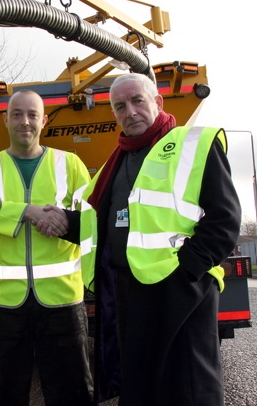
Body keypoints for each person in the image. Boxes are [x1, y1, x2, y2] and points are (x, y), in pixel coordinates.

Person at [45, 73, 241, 405]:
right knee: (142, 387)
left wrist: (189, 270)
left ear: (158, 102)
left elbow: (224, 218)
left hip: (183, 289)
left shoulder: (193, 144)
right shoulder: (115, 161)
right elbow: (102, 223)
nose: (130, 111)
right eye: (120, 106)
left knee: (190, 386)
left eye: (138, 101)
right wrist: (64, 220)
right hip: (130, 291)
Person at [0, 89, 95, 406]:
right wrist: (27, 212)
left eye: (32, 115)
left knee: (72, 394)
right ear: (5, 120)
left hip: (63, 300)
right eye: (18, 114)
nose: (25, 122)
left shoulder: (71, 164)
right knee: (4, 393)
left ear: (44, 121)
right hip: (8, 303)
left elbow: (90, 217)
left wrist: (64, 221)